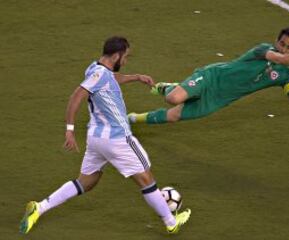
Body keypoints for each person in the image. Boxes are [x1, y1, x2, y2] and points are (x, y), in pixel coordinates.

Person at [19, 36, 191, 235]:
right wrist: (69, 129)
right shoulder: (99, 75)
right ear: (117, 55)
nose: (125, 61)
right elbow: (77, 96)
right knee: (146, 178)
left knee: (86, 181)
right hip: (117, 139)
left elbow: (110, 78)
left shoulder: (95, 68)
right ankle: (171, 222)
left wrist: (136, 77)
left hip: (96, 139)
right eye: (125, 57)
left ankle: (39, 208)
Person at [128, 27, 289, 124]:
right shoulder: (263, 50)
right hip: (212, 77)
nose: (284, 49)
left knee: (173, 116)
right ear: (276, 41)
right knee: (173, 98)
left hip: (219, 100)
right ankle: (166, 86)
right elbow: (280, 59)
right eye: (282, 44)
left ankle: (133, 119)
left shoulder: (286, 76)